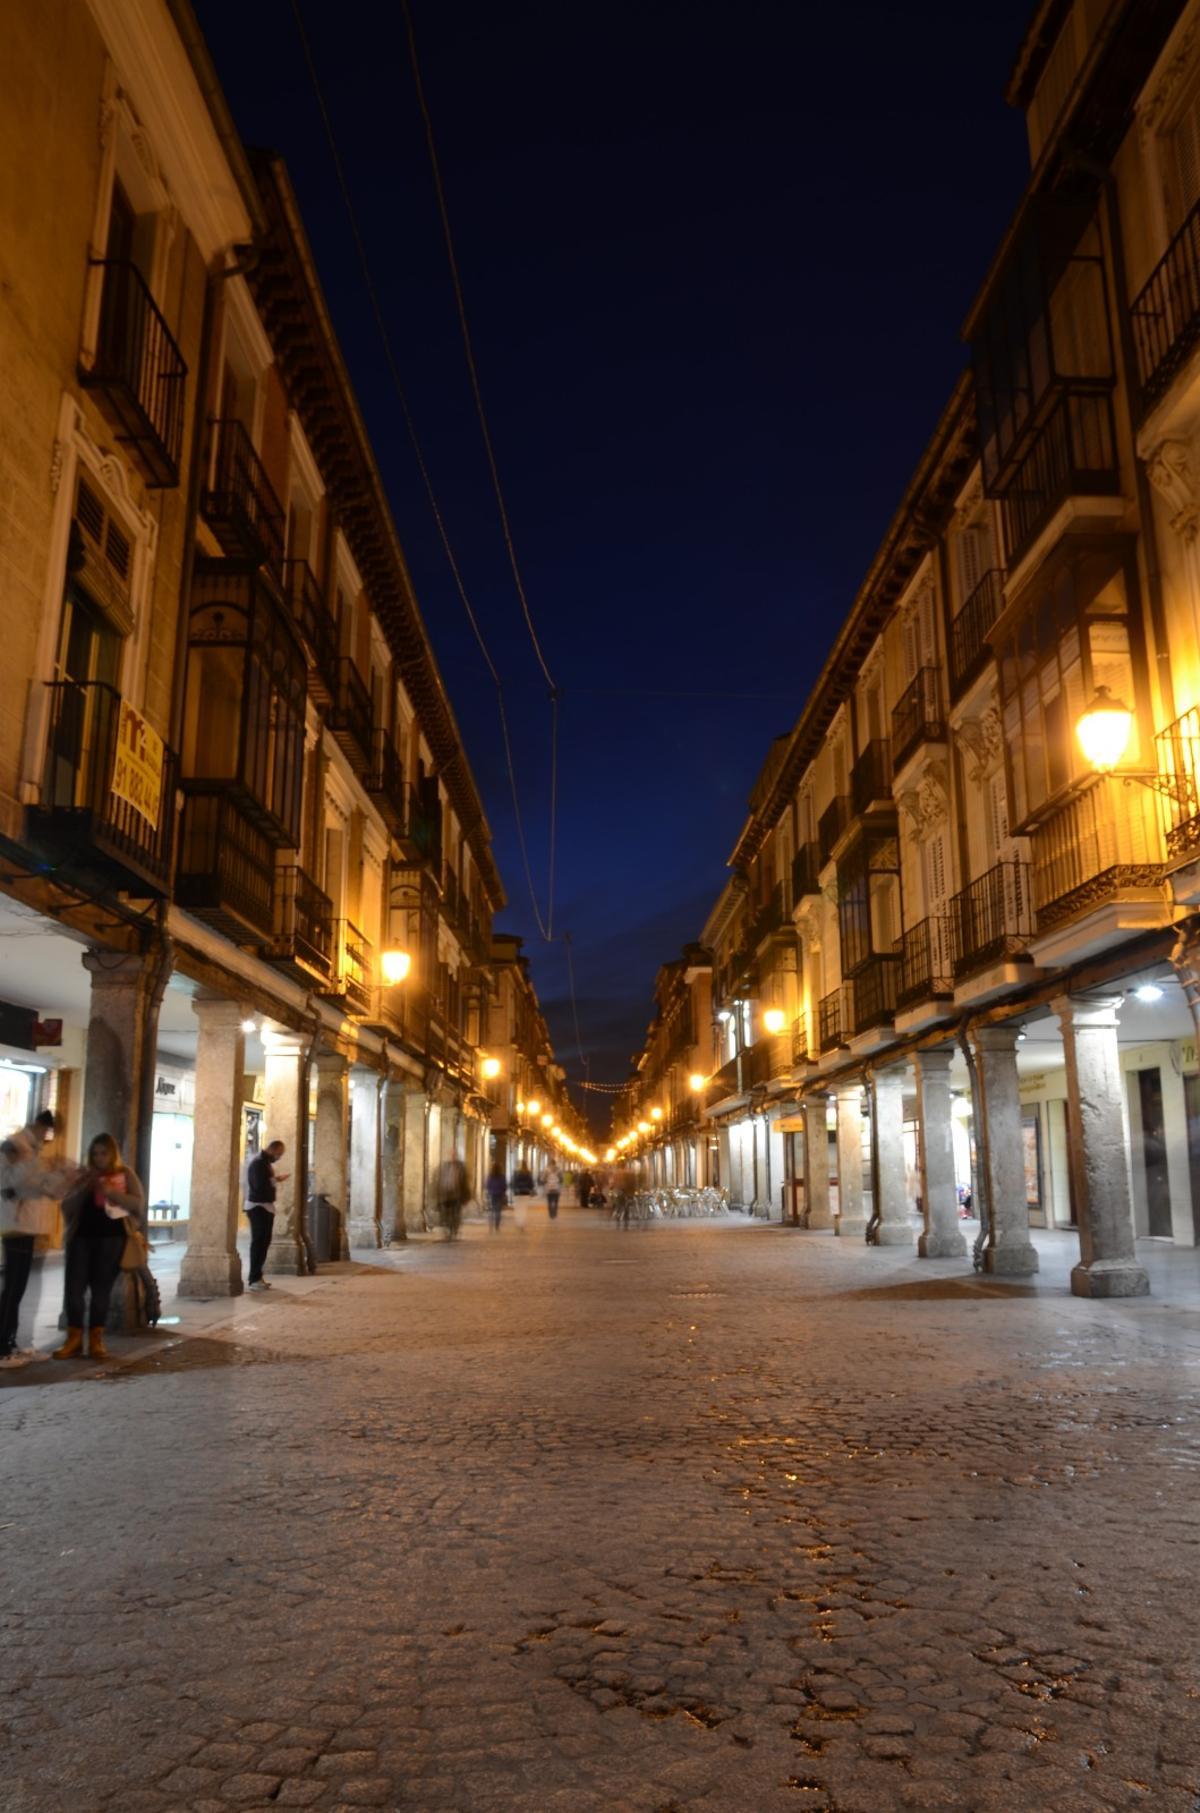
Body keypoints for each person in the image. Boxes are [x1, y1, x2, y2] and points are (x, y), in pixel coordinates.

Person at [55, 1132, 146, 1360]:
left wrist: (109, 1191)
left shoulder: (125, 1174)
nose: (99, 1158)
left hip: (112, 1239)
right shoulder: (83, 1176)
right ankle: (73, 1338)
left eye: (103, 1153)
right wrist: (84, 1188)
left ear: (112, 1153)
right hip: (81, 1238)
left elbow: (138, 1205)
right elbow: (66, 1207)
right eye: (95, 1154)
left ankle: (96, 1339)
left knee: (101, 1290)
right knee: (74, 1289)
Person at [0, 1110, 73, 1369]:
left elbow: (38, 1186)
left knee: (21, 1287)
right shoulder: (15, 1145)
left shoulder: (32, 1149)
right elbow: (13, 1184)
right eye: (48, 1131)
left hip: (29, 1225)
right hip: (16, 1225)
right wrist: (43, 1170)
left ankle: (20, 1342)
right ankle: (3, 1348)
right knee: (14, 1288)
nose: (48, 1137)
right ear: (41, 1126)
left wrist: (59, 1177)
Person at [245, 1140, 288, 1291]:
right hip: (258, 1207)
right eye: (279, 1154)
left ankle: (257, 1276)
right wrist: (272, 1181)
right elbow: (258, 1186)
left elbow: (263, 1182)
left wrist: (275, 1179)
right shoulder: (258, 1163)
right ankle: (254, 1277)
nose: (279, 1157)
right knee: (259, 1243)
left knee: (264, 1242)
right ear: (272, 1150)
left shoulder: (264, 1163)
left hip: (264, 1207)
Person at [437, 1156, 469, 1240]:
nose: (452, 1157)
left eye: (453, 1155)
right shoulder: (444, 1167)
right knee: (446, 1214)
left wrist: (466, 1196)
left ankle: (454, 1230)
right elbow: (438, 1181)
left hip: (457, 1195)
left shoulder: (461, 1168)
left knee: (456, 1213)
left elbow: (465, 1183)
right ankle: (448, 1230)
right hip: (446, 1195)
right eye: (451, 1155)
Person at [485, 1161, 507, 1231]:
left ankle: (490, 1225)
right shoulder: (502, 1176)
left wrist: (488, 1191)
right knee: (498, 1210)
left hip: (492, 1194)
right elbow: (504, 1186)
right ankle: (497, 1226)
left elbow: (488, 1185)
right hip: (499, 1194)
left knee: (491, 1210)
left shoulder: (490, 1176)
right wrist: (503, 1192)